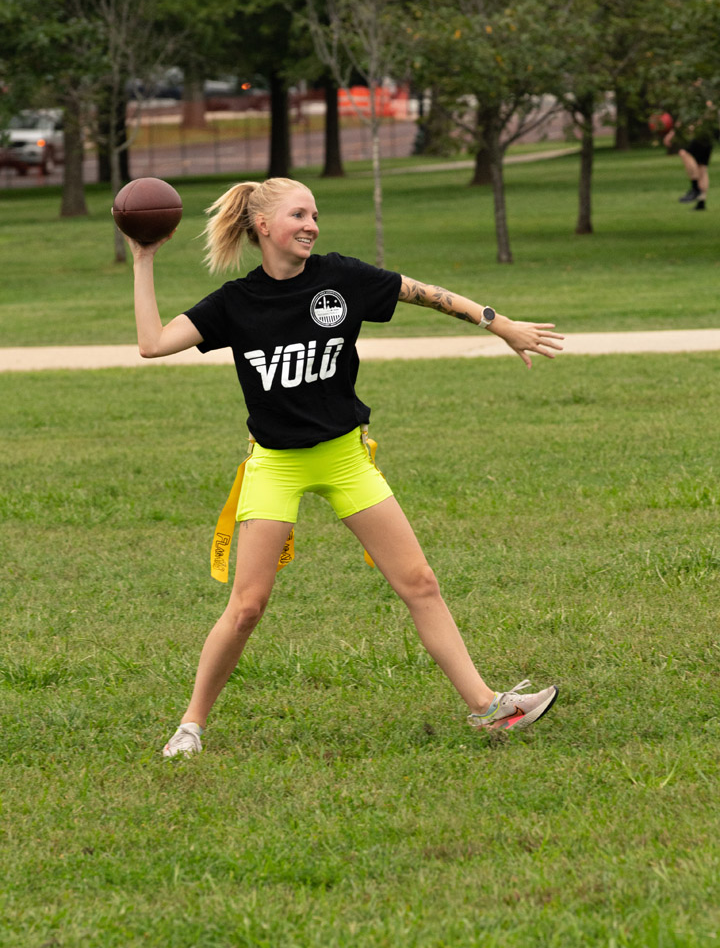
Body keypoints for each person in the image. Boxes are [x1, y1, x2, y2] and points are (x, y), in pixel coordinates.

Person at [124, 177, 565, 758]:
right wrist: (144, 259)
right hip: (275, 465)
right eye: (298, 214)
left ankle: (488, 706)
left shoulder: (340, 278)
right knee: (248, 606)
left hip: (344, 457)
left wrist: (499, 322)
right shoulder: (235, 302)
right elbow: (153, 343)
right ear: (263, 225)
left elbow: (422, 292)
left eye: (314, 214)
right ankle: (190, 726)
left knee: (420, 583)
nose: (311, 225)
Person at [663, 103, 718, 211]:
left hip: (702, 133)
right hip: (709, 135)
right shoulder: (707, 96)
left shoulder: (695, 98)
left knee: (684, 153)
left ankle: (695, 189)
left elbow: (684, 119)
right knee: (702, 168)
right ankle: (701, 203)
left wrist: (672, 134)